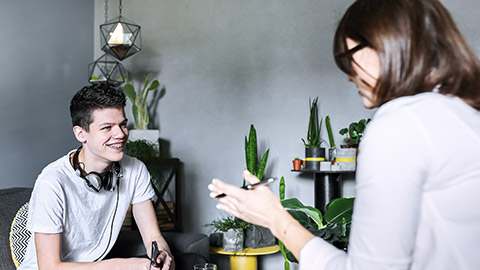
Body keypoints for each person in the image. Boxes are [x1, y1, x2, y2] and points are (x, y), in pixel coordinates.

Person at [208, 0, 480, 269]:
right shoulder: (462, 114)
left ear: (389, 43)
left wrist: (276, 218)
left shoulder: (401, 125)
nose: (349, 75)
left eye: (350, 55)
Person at [20, 83, 174, 270]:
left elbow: (153, 237)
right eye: (107, 128)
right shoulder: (52, 183)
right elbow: (49, 267)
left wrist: (162, 255)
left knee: (191, 259)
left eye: (123, 125)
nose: (120, 134)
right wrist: (124, 266)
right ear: (81, 133)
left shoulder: (135, 169)